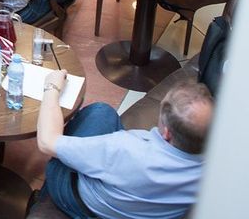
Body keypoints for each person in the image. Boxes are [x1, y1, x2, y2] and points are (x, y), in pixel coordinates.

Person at [36, 76, 212, 219]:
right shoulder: (213, 174)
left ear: (167, 133)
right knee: (105, 114)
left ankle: (44, 197)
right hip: (136, 205)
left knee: (99, 111)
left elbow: (47, 142)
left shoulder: (126, 149)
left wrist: (52, 88)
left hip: (81, 202)